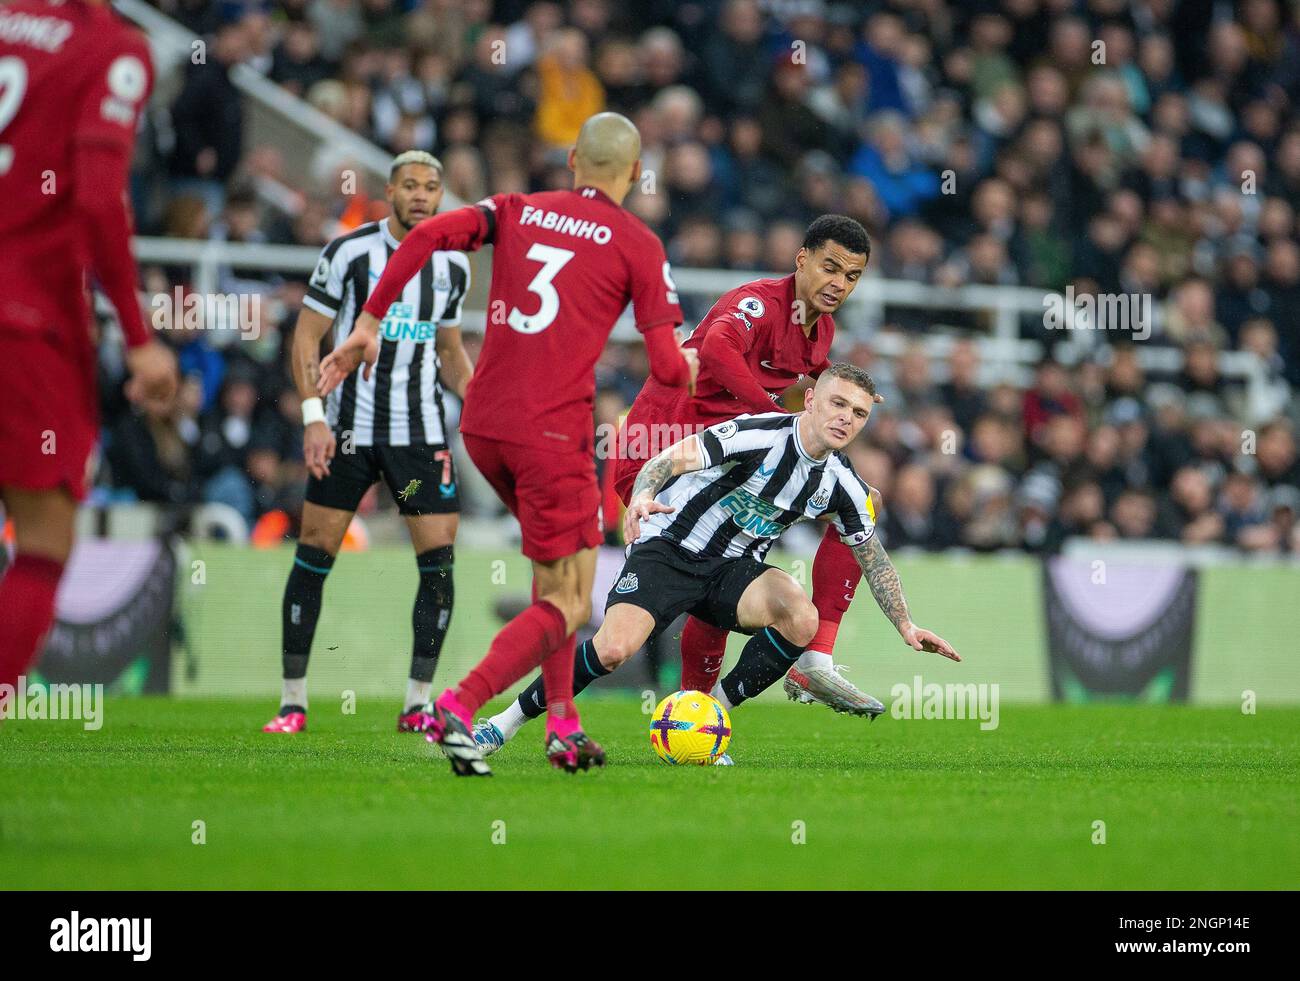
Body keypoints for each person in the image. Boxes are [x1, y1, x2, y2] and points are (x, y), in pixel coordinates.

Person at [318, 112, 698, 775]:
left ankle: (562, 723)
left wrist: (369, 321)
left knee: (554, 577)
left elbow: (429, 234)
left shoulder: (516, 208)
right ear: (636, 173)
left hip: (484, 422)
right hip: (551, 433)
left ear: (573, 158)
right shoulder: (639, 243)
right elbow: (667, 368)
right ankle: (460, 706)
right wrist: (706, 364)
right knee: (573, 600)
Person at [475, 364, 960, 760]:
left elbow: (873, 560)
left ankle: (710, 716)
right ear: (810, 400)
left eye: (857, 413)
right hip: (669, 550)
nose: (846, 419)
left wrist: (906, 626)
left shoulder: (844, 484)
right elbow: (668, 460)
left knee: (801, 616)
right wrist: (642, 496)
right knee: (614, 650)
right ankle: (503, 723)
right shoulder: (757, 433)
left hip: (733, 572)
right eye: (837, 403)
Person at [615, 215, 886, 718]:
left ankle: (808, 660)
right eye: (829, 268)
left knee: (859, 501)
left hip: (721, 462)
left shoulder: (821, 331)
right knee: (715, 579)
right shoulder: (758, 303)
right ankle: (701, 705)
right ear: (800, 260)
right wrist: (772, 413)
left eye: (851, 276)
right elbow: (718, 350)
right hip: (661, 448)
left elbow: (809, 378)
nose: (838, 284)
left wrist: (844, 391)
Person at [261, 151, 475, 735]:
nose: (421, 195)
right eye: (410, 185)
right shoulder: (349, 252)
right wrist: (312, 416)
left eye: (432, 187)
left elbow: (450, 352)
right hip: (348, 429)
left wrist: (477, 401)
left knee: (438, 562)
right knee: (315, 552)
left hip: (421, 433)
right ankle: (293, 701)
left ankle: (418, 702)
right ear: (391, 190)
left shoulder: (452, 265)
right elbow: (307, 337)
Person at [0, 0, 178, 687]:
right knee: (43, 540)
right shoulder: (110, 49)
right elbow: (100, 200)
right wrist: (138, 337)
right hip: (24, 318)